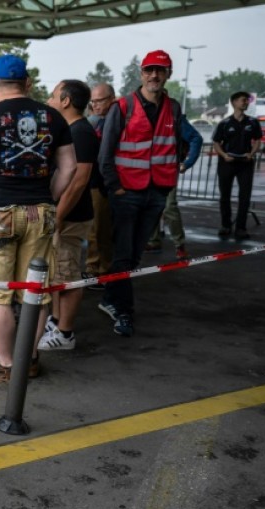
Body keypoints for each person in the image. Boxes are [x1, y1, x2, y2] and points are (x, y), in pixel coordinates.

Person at [0, 55, 76, 382]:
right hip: (39, 212)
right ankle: (31, 359)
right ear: (27, 84)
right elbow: (69, 168)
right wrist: (48, 198)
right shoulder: (53, 117)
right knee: (34, 292)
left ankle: (8, 365)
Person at [97, 50, 184, 337]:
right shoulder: (123, 107)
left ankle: (110, 298)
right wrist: (115, 187)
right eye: (149, 70)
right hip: (126, 193)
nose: (154, 75)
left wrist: (168, 182)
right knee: (123, 254)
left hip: (156, 193)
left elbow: (176, 145)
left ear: (168, 74)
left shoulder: (174, 107)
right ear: (141, 74)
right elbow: (105, 153)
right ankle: (123, 311)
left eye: (160, 70)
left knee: (133, 256)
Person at [40, 80, 96, 351]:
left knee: (68, 273)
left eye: (52, 97)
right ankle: (55, 320)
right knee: (57, 272)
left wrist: (58, 218)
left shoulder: (81, 132)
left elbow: (79, 179)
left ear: (65, 101)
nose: (49, 101)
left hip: (71, 217)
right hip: (63, 215)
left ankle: (65, 333)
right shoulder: (71, 130)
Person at [144, 115, 203, 258]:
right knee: (149, 205)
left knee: (169, 207)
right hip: (148, 168)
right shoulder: (145, 114)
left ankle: (179, 245)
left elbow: (196, 139)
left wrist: (188, 163)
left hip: (167, 169)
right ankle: (153, 240)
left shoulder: (174, 118)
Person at [212, 91, 262, 241]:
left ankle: (241, 228)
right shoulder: (224, 123)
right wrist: (224, 155)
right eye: (243, 100)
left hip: (245, 163)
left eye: (247, 100)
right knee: (225, 196)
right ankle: (226, 225)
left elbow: (258, 140)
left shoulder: (253, 122)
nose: (246, 103)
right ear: (234, 103)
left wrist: (251, 153)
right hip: (227, 163)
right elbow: (216, 143)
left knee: (244, 197)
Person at [85, 83, 116, 281]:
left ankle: (101, 270)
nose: (95, 105)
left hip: (106, 185)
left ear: (112, 99)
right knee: (94, 229)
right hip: (95, 182)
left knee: (102, 231)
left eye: (100, 101)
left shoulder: (114, 122)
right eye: (93, 101)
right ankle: (94, 267)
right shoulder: (99, 122)